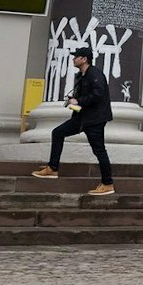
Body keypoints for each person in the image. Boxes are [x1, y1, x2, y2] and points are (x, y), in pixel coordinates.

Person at [30, 45, 116, 195]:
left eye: (76, 57)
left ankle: (107, 184)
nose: (73, 59)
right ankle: (52, 168)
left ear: (84, 59)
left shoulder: (95, 74)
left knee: (99, 151)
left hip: (94, 120)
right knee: (57, 133)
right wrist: (74, 100)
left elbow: (98, 94)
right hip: (82, 118)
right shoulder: (82, 75)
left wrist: (79, 101)